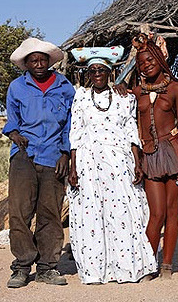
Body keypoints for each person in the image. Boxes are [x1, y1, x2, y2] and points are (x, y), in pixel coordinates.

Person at [67, 46, 157, 284]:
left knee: (122, 213)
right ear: (88, 74)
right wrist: (73, 167)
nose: (97, 74)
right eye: (92, 70)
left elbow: (131, 131)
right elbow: (75, 132)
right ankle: (95, 270)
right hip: (89, 163)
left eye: (101, 70)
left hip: (118, 162)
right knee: (92, 215)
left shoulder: (124, 97)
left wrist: (137, 163)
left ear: (109, 72)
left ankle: (127, 268)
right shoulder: (81, 97)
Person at [3, 38, 75, 288]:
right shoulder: (17, 87)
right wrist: (14, 134)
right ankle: (22, 266)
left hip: (54, 156)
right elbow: (11, 118)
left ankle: (47, 267)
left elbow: (70, 123)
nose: (39, 63)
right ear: (26, 63)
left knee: (50, 213)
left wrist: (65, 153)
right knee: (20, 213)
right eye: (33, 60)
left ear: (49, 61)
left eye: (42, 59)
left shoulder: (65, 87)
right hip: (24, 155)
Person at [132, 34, 178, 279]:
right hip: (149, 155)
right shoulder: (136, 93)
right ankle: (148, 263)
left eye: (150, 59)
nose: (147, 65)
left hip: (173, 153)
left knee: (171, 210)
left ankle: (167, 264)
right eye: (142, 62)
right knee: (156, 214)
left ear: (159, 58)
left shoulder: (176, 88)